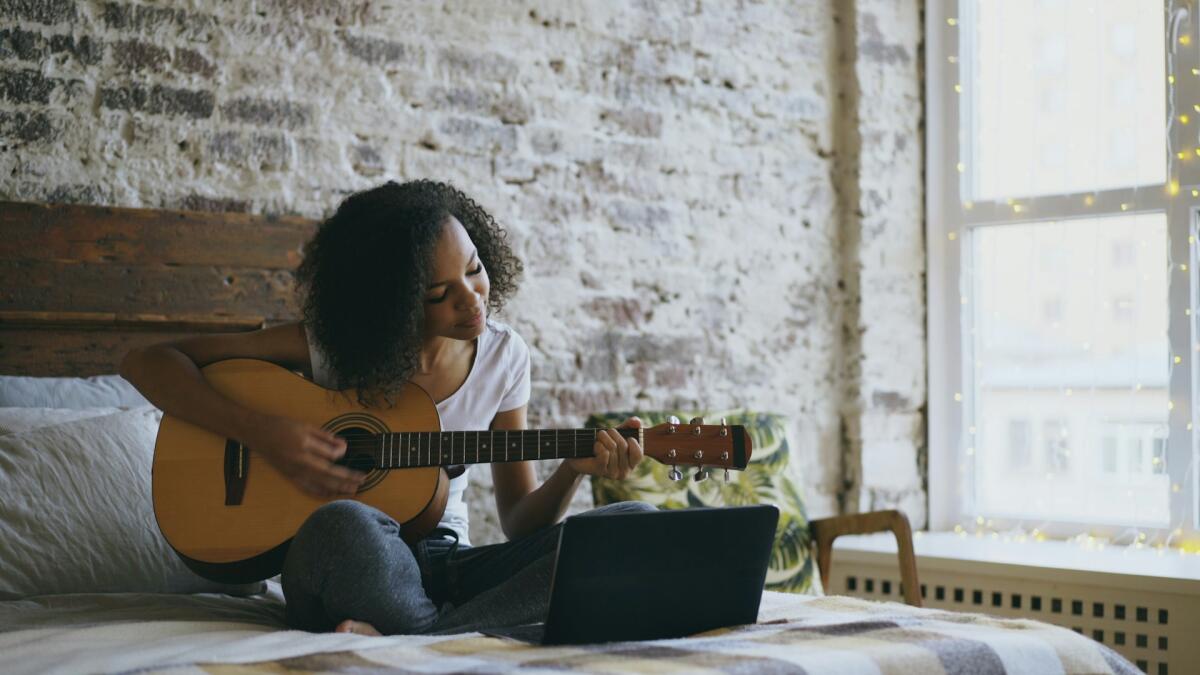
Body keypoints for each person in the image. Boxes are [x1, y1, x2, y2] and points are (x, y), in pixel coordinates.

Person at [120, 179, 653, 636]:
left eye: (474, 269)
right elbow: (147, 361)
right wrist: (264, 435)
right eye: (438, 294)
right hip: (351, 562)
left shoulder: (503, 357)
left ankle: (417, 634)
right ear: (390, 301)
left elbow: (519, 523)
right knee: (344, 523)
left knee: (634, 525)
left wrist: (571, 472)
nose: (472, 299)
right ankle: (452, 631)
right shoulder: (333, 350)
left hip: (448, 566)